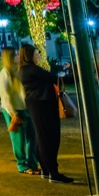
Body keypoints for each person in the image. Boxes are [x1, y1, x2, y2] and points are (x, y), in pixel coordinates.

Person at [19, 43, 74, 183]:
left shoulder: (25, 70)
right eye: (36, 53)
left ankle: (46, 169)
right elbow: (54, 78)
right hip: (43, 105)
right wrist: (73, 74)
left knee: (41, 137)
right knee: (49, 137)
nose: (38, 56)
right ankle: (53, 172)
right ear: (29, 56)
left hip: (36, 104)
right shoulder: (32, 69)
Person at [0, 47, 39, 175]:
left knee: (33, 137)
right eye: (15, 55)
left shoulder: (19, 70)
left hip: (25, 108)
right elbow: (5, 95)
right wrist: (13, 113)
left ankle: (33, 163)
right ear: (9, 58)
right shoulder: (5, 73)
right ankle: (22, 164)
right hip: (14, 110)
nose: (17, 57)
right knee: (18, 139)